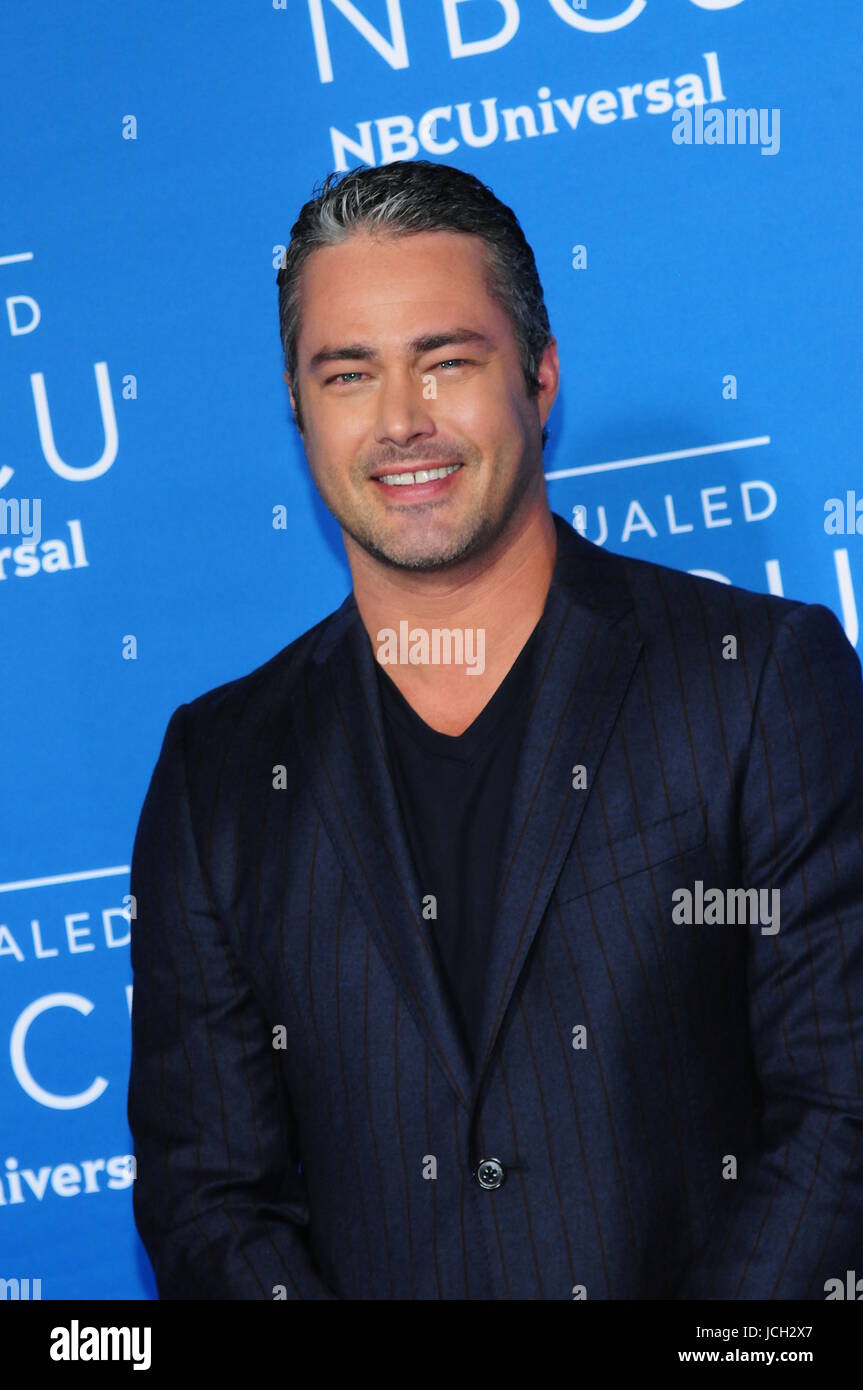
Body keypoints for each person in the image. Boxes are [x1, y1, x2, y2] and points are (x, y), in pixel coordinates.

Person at [127, 159, 863, 1300]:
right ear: (295, 405)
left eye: (446, 360)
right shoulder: (217, 773)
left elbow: (839, 1111)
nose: (400, 421)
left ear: (540, 373)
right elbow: (209, 1195)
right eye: (348, 373)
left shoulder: (753, 682)